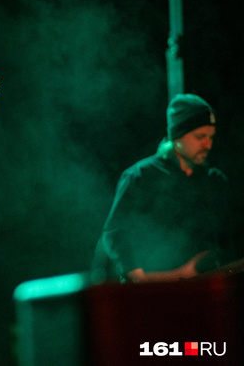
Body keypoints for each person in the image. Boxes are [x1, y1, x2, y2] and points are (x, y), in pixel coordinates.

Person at [95, 93, 233, 283]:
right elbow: (115, 233)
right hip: (153, 292)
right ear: (177, 136)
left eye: (211, 137)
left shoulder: (214, 181)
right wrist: (139, 280)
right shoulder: (140, 176)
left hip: (204, 290)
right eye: (200, 136)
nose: (208, 144)